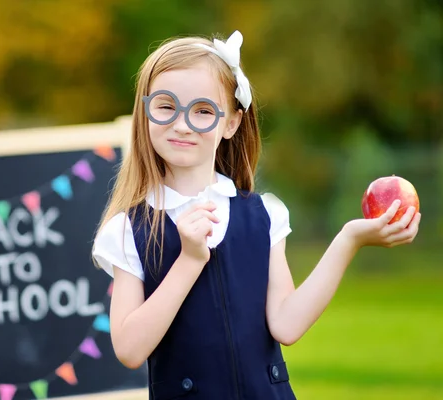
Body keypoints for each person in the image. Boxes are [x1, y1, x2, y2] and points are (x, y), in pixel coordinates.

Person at [91, 30, 421, 400]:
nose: (182, 123)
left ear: (230, 123)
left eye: (202, 111)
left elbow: (287, 324)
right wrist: (189, 260)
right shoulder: (129, 230)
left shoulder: (263, 215)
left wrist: (349, 239)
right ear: (146, 110)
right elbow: (130, 350)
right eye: (166, 106)